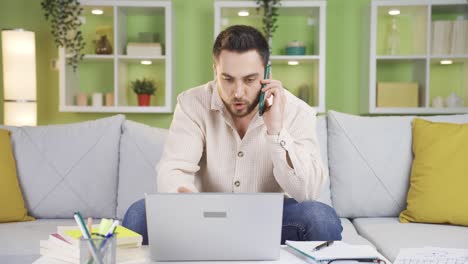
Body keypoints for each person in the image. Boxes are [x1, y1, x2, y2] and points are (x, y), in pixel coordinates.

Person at [123, 25, 342, 245]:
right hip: (204, 215)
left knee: (320, 218)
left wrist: (277, 131)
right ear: (215, 72)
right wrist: (183, 200)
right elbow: (174, 167)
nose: (238, 92)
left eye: (249, 80)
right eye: (227, 79)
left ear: (267, 74)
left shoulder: (297, 111)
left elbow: (308, 192)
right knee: (138, 215)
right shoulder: (191, 103)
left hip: (270, 217)